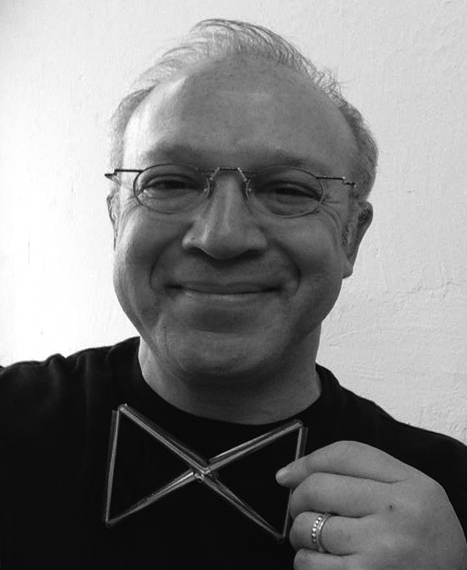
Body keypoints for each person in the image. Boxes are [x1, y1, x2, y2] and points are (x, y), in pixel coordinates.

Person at [1, 18, 466, 570]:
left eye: (288, 189)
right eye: (169, 182)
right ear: (116, 218)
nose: (221, 237)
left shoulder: (448, 502)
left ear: (351, 237)